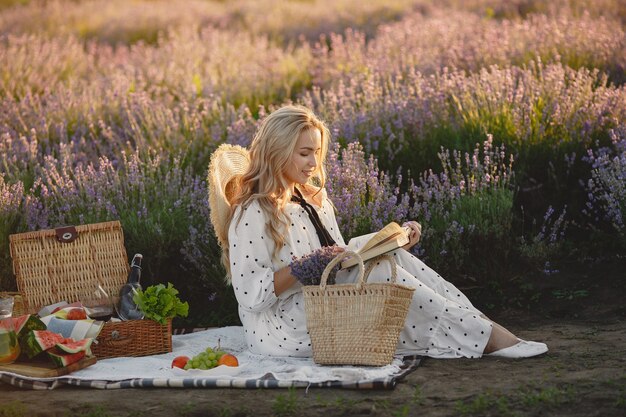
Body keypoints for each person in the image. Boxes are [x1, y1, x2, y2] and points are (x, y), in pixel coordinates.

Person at [214, 104, 548, 359]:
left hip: (323, 301)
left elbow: (339, 259)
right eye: (304, 153)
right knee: (382, 275)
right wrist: (305, 267)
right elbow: (250, 295)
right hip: (284, 325)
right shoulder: (253, 211)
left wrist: (390, 240)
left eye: (317, 152)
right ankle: (486, 338)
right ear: (277, 152)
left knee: (390, 256)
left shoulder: (312, 198)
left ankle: (481, 327)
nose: (314, 163)